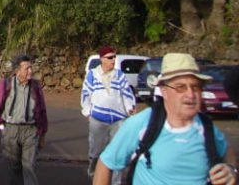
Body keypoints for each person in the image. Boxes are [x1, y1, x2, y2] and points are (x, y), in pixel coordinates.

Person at [93, 53, 237, 185]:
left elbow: (227, 151)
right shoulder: (142, 124)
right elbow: (106, 164)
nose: (190, 94)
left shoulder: (206, 127)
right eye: (180, 87)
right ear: (164, 91)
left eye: (196, 87)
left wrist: (231, 170)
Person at [0, 53, 48, 185]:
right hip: (10, 130)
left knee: (29, 167)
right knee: (13, 169)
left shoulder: (35, 87)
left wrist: (42, 134)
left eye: (31, 67)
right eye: (27, 68)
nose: (30, 71)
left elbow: (42, 111)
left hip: (30, 131)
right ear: (17, 70)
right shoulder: (5, 85)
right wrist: (2, 128)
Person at [81, 45, 136, 184]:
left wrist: (130, 107)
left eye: (114, 57)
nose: (113, 60)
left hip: (118, 119)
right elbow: (85, 94)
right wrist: (87, 112)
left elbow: (127, 93)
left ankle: (115, 182)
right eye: (110, 57)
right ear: (102, 59)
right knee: (95, 153)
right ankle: (95, 176)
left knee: (116, 152)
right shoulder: (92, 74)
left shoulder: (119, 75)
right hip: (98, 119)